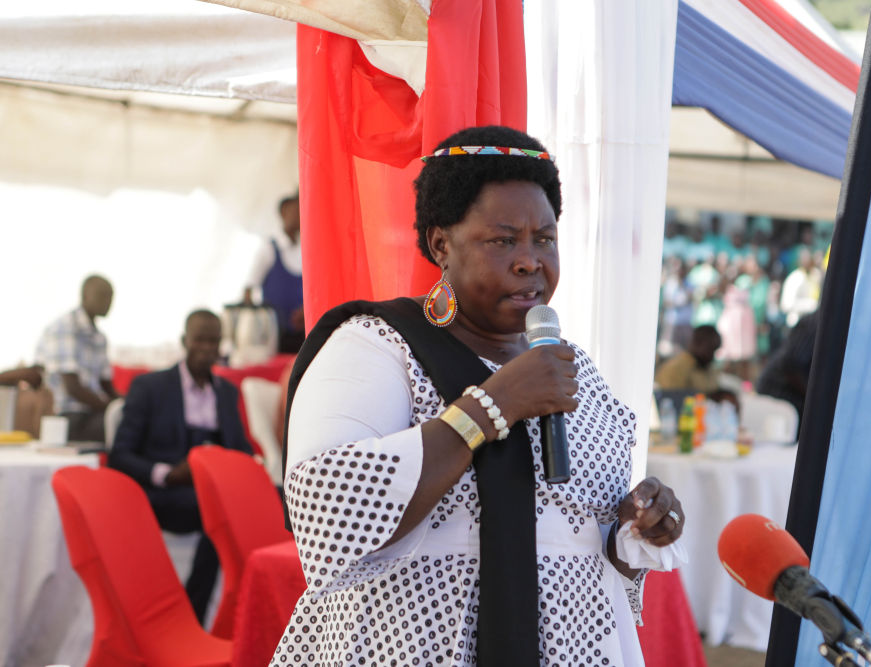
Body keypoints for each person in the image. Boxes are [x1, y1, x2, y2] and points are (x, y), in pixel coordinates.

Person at [275, 126, 686, 666]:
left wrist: (634, 529)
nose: (529, 260)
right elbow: (327, 509)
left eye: (544, 239)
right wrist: (492, 406)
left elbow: (577, 540)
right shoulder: (377, 347)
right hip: (414, 646)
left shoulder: (571, 366)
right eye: (503, 240)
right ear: (441, 245)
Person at [107, 309, 252, 623]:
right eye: (200, 340)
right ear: (184, 341)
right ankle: (193, 616)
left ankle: (263, 609)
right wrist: (168, 474)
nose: (207, 348)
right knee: (220, 512)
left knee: (280, 501)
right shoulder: (150, 387)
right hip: (167, 492)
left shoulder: (227, 393)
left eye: (213, 341)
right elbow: (119, 454)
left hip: (216, 490)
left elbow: (241, 450)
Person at [34, 275, 119, 441]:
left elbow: (107, 387)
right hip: (66, 418)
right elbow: (72, 388)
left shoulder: (99, 337)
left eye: (110, 296)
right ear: (85, 295)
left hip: (94, 413)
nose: (108, 302)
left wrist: (129, 405)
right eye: (102, 295)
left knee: (136, 421)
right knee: (125, 427)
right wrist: (111, 409)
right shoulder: (65, 327)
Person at [244, 193, 305, 354]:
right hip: (275, 338)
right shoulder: (269, 248)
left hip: (303, 333)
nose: (301, 215)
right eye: (297, 210)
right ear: (284, 212)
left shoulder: (305, 248)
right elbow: (249, 289)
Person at [654, 324, 723, 394]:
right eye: (710, 350)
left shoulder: (706, 368)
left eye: (714, 350)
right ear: (697, 344)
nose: (712, 356)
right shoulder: (677, 368)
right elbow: (668, 396)